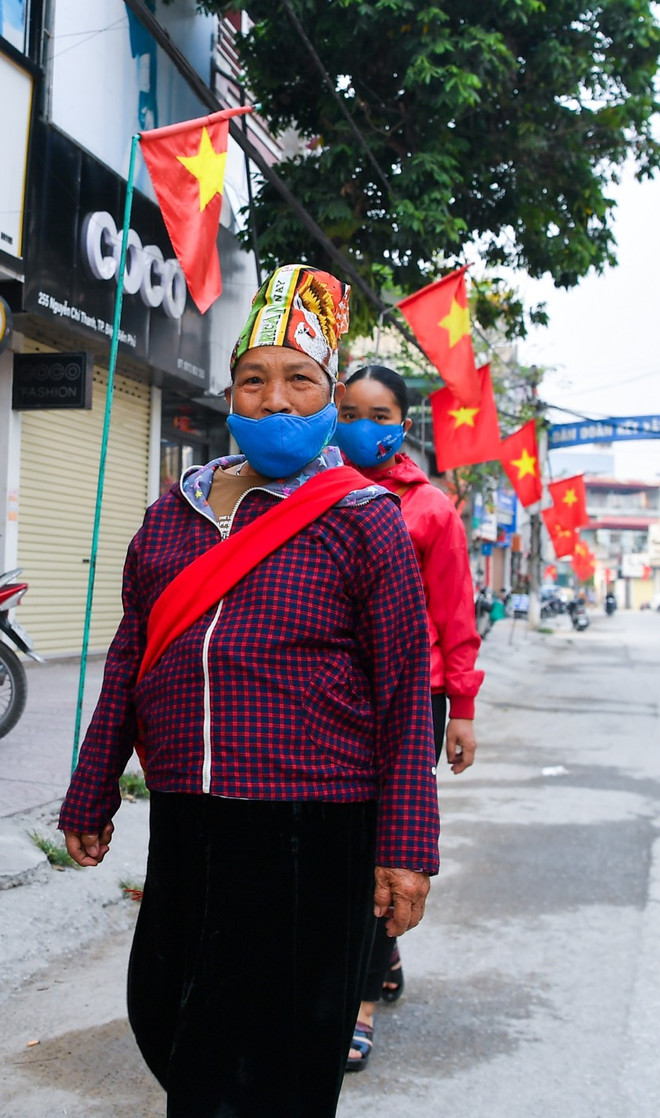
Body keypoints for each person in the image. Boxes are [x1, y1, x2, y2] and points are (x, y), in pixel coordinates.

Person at [59, 264, 438, 1118]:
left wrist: (408, 844)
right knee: (168, 1019)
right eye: (253, 379)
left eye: (299, 380)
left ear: (330, 396)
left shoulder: (362, 516)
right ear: (229, 393)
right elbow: (131, 654)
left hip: (312, 823)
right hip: (191, 815)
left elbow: (406, 690)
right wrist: (93, 787)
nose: (274, 399)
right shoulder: (174, 511)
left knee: (277, 1062)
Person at [334, 365, 481, 1072]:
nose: (364, 425)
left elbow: (456, 617)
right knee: (338, 852)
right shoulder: (311, 491)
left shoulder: (430, 509)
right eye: (350, 410)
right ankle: (383, 951)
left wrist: (463, 710)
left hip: (411, 701)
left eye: (380, 413)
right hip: (329, 698)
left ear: (404, 424)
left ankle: (358, 1006)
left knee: (376, 853)